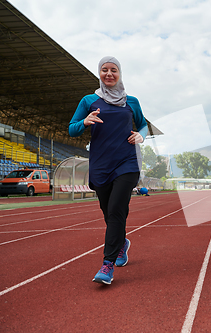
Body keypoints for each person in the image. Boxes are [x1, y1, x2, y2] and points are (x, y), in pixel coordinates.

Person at [69, 56, 148, 285]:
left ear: (120, 74)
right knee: (107, 210)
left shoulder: (131, 101)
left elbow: (142, 124)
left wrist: (140, 134)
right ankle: (121, 243)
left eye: (114, 70)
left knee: (115, 210)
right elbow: (72, 129)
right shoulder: (89, 101)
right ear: (99, 73)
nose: (109, 74)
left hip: (127, 162)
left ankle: (108, 264)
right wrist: (85, 122)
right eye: (105, 70)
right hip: (101, 163)